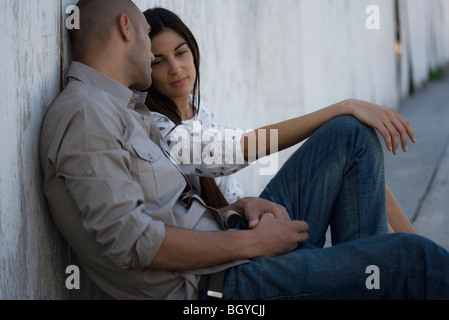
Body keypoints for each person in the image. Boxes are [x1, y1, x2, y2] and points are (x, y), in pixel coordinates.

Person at [39, 0, 449, 300]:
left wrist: (238, 209)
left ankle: (369, 273)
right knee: (414, 260)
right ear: (126, 28)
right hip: (218, 284)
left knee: (350, 136)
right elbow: (133, 241)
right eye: (152, 44)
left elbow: (174, 206)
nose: (161, 61)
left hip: (232, 240)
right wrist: (253, 245)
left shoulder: (122, 110)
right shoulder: (88, 114)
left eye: (180, 52)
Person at [144, 7, 417, 234]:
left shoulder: (199, 109)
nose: (175, 68)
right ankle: (409, 261)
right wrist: (343, 107)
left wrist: (247, 205)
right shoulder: (157, 126)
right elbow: (235, 150)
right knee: (346, 135)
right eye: (159, 61)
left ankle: (414, 252)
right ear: (147, 69)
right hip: (231, 241)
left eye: (181, 53)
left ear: (193, 51)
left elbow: (230, 191)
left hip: (245, 221)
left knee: (350, 154)